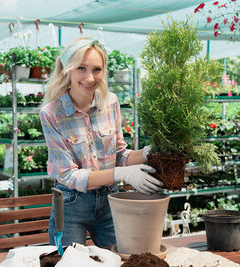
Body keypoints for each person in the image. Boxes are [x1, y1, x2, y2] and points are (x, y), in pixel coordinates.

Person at [39, 36, 163, 247]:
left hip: (110, 201)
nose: (90, 78)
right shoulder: (51, 113)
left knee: (119, 258)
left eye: (97, 70)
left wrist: (146, 153)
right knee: (70, 263)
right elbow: (69, 175)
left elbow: (120, 155)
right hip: (70, 204)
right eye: (81, 68)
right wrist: (119, 174)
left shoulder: (110, 102)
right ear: (67, 69)